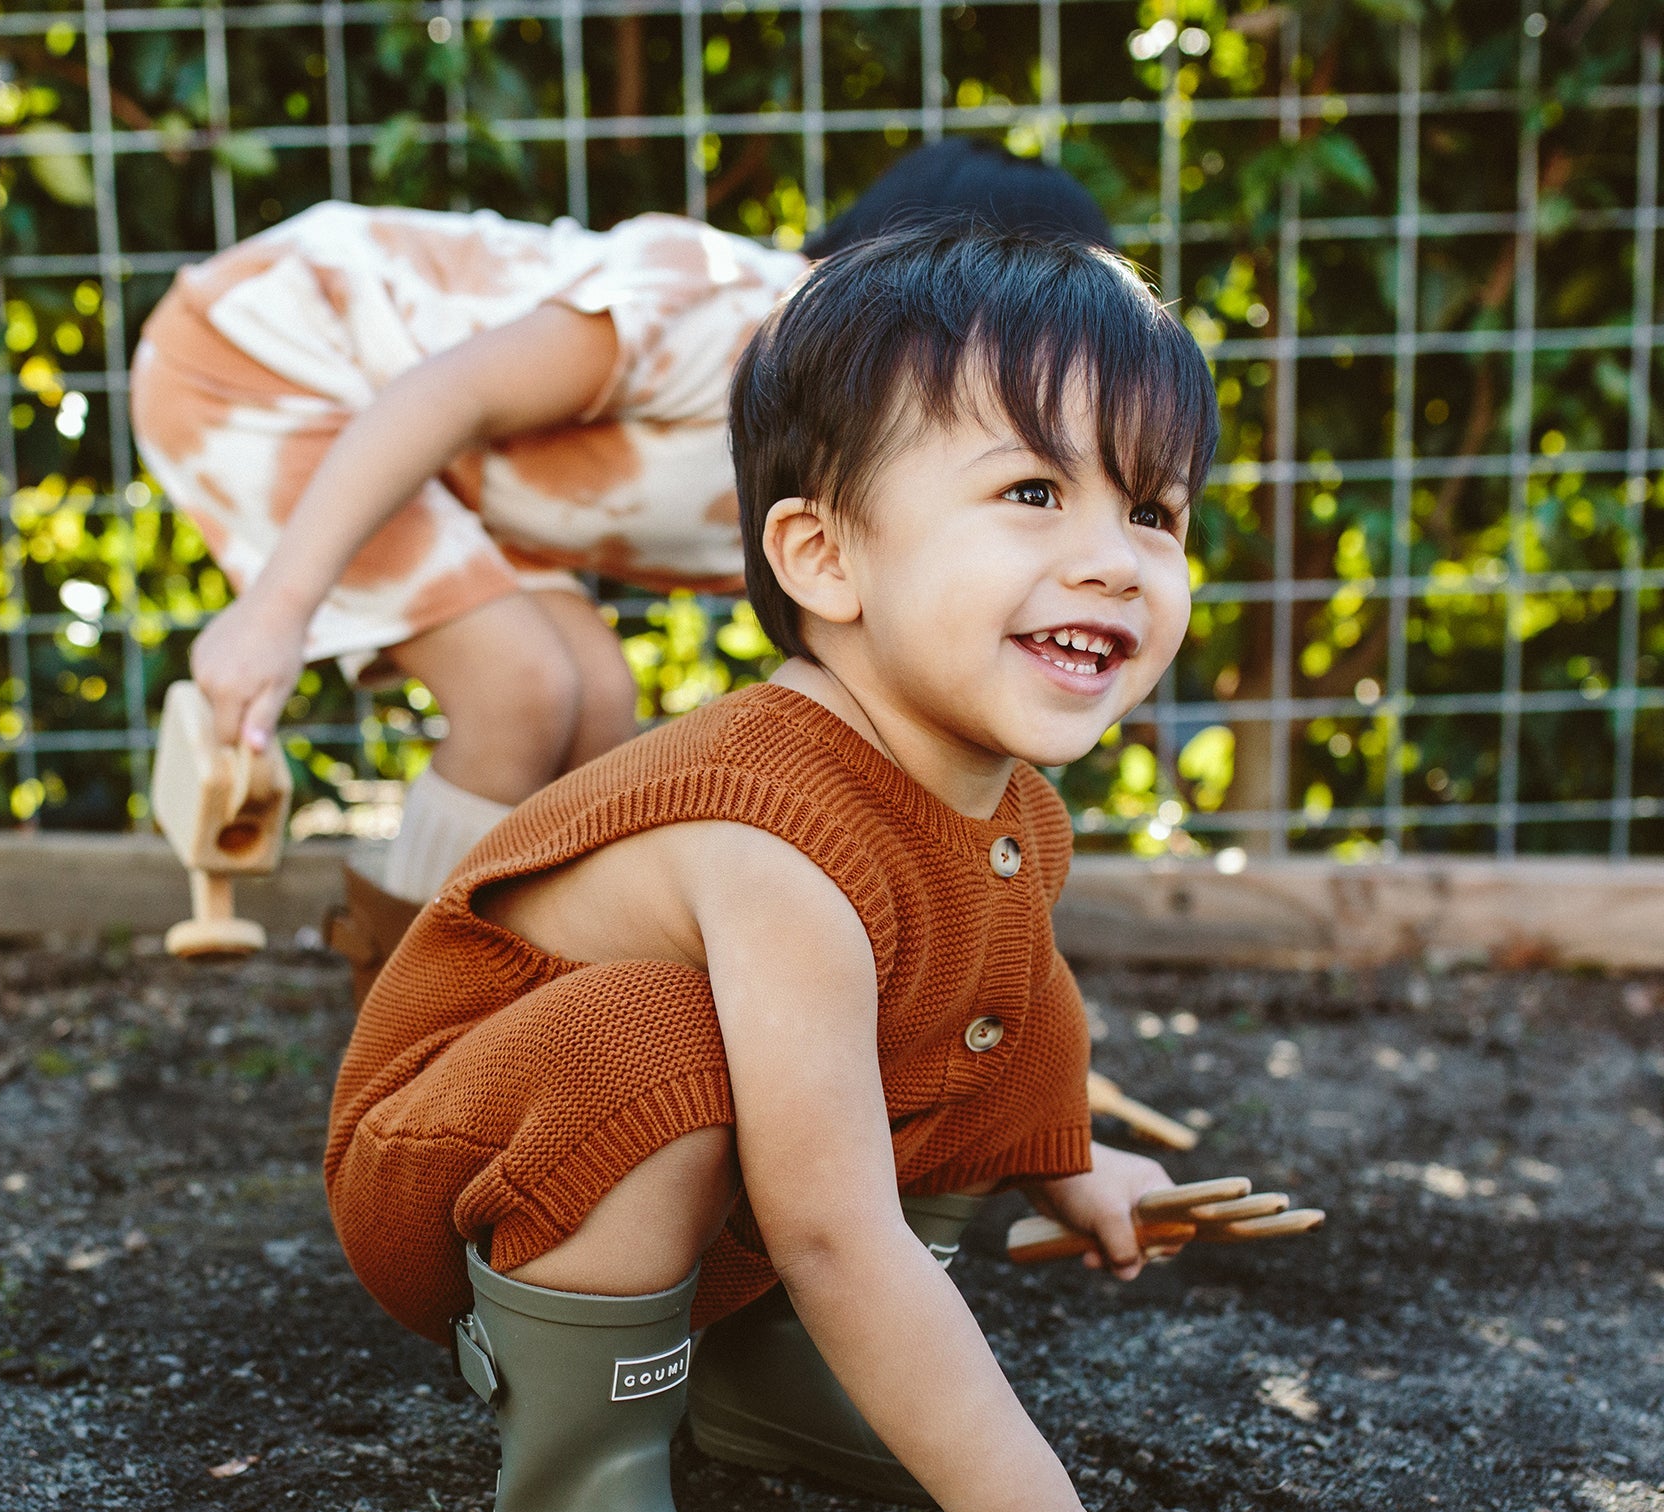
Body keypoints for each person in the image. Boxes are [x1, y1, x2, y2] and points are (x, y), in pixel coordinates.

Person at [321, 228, 1221, 1512]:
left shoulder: (998, 805)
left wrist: (1068, 1160)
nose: (1111, 555)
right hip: (451, 1171)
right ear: (824, 557)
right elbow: (833, 1222)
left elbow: (1010, 989)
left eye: (1155, 509)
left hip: (634, 1169)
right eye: (1031, 494)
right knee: (656, 1041)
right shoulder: (772, 832)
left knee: (933, 988)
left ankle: (747, 1367)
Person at [129, 147, 1111, 990]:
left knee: (596, 702)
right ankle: (406, 1021)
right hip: (269, 351)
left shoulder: (885, 458)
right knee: (518, 690)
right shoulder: (729, 317)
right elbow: (450, 393)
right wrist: (276, 609)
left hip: (442, 465)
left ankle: (534, 1007)